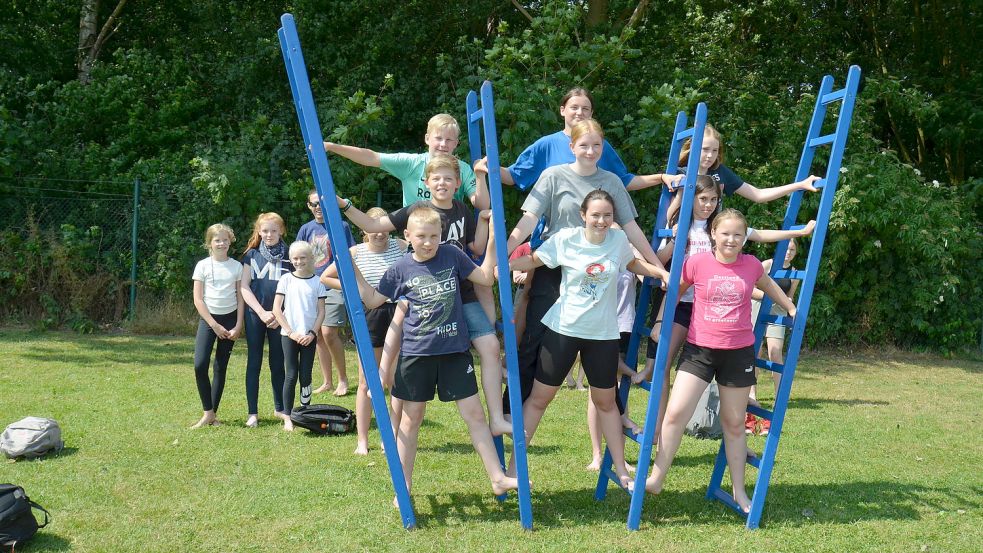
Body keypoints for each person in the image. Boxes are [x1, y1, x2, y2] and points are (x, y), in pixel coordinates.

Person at [325, 205, 519, 501]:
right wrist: (351, 269)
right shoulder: (401, 268)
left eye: (433, 236)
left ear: (441, 235)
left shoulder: (451, 255)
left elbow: (484, 279)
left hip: (454, 352)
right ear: (407, 236)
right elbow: (375, 300)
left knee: (475, 415)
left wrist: (492, 238)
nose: (428, 242)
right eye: (421, 236)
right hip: (416, 355)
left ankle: (497, 478)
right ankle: (404, 487)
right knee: (410, 419)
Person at [503, 118, 670, 416]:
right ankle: (511, 412)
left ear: (603, 147)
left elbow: (631, 229)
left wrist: (659, 268)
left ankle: (618, 418)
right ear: (572, 147)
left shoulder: (610, 181)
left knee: (604, 350)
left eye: (596, 145)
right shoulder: (553, 176)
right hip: (554, 266)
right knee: (532, 341)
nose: (591, 151)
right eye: (584, 145)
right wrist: (503, 257)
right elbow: (528, 221)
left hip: (594, 271)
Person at [336, 153, 510, 436]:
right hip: (422, 289)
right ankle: (383, 380)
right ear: (427, 182)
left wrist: (487, 226)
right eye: (436, 178)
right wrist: (344, 205)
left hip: (459, 292)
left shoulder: (462, 212)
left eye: (448, 179)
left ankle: (497, 418)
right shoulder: (417, 211)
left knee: (490, 346)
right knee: (398, 327)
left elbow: (477, 249)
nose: (442, 183)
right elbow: (372, 226)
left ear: (456, 184)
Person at [632, 176, 815, 443]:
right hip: (683, 303)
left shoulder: (720, 228)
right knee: (663, 361)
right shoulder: (678, 227)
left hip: (714, 308)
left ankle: (737, 438)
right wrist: (673, 243)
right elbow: (659, 264)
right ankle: (657, 429)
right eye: (702, 199)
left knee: (718, 367)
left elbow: (759, 235)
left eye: (713, 200)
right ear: (691, 198)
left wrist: (797, 234)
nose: (707, 205)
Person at [509, 190, 667, 488]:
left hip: (603, 335)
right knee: (539, 399)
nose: (602, 220)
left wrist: (660, 273)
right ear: (583, 215)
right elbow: (534, 260)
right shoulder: (567, 239)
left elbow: (633, 264)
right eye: (595, 215)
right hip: (563, 331)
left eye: (607, 215)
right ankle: (515, 470)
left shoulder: (619, 241)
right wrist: (502, 265)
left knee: (607, 402)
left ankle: (621, 471)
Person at [642, 209, 797, 513]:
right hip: (699, 350)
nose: (731, 239)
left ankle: (739, 492)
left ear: (744, 237)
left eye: (738, 234)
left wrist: (790, 306)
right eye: (725, 233)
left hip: (737, 354)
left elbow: (767, 285)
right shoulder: (696, 262)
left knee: (734, 424)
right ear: (713, 233)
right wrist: (662, 320)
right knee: (674, 415)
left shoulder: (751, 264)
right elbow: (674, 291)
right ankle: (657, 478)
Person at [323, 113, 487, 209]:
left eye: (449, 140)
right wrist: (331, 147)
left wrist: (479, 177)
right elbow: (371, 157)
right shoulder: (411, 163)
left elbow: (481, 205)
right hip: (418, 240)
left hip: (452, 239)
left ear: (456, 143)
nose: (443, 144)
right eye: (439, 138)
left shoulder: (462, 169)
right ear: (427, 139)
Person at [347, 208, 407, 454]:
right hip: (371, 316)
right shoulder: (354, 252)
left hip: (399, 313)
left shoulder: (401, 246)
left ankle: (390, 437)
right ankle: (363, 440)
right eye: (374, 228)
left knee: (394, 381)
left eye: (384, 228)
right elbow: (327, 277)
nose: (380, 233)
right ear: (365, 230)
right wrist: (362, 290)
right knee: (366, 382)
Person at [297, 190, 356, 397]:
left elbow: (351, 255)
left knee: (329, 332)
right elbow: (298, 256)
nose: (318, 208)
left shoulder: (341, 226)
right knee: (319, 336)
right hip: (311, 287)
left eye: (322, 204)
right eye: (314, 204)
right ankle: (327, 381)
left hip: (333, 285)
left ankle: (342, 380)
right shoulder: (306, 229)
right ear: (309, 206)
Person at [240, 213, 293, 428]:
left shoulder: (291, 255)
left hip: (281, 317)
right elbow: (244, 286)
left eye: (273, 230)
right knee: (254, 362)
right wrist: (262, 312)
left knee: (278, 363)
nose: (269, 234)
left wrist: (279, 314)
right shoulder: (251, 255)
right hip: (256, 315)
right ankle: (253, 412)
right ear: (259, 232)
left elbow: (295, 288)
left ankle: (280, 408)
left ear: (281, 230)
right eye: (265, 231)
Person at [746, 238, 801, 435]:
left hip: (778, 312)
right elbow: (750, 287)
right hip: (758, 308)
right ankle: (752, 393)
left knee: (775, 353)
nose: (788, 252)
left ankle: (780, 395)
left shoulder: (794, 273)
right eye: (786, 248)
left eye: (792, 249)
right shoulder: (767, 264)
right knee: (755, 352)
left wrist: (789, 310)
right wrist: (766, 296)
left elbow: (790, 297)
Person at [190, 223, 244, 429]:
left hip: (230, 321)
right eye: (217, 240)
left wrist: (238, 325)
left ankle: (213, 414)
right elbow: (198, 300)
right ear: (209, 243)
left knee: (220, 367)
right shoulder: (202, 266)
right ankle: (207, 412)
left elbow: (240, 298)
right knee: (200, 364)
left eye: (225, 240)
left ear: (230, 241)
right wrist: (214, 325)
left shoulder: (236, 267)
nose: (221, 243)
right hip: (209, 320)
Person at [272, 241, 327, 431]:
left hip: (309, 336)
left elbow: (321, 312)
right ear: (290, 259)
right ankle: (287, 416)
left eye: (303, 258)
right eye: (295, 258)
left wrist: (312, 333)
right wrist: (290, 332)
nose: (299, 261)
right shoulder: (286, 280)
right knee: (291, 374)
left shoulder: (318, 281)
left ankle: (305, 412)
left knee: (306, 375)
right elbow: (277, 310)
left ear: (311, 258)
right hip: (289, 336)